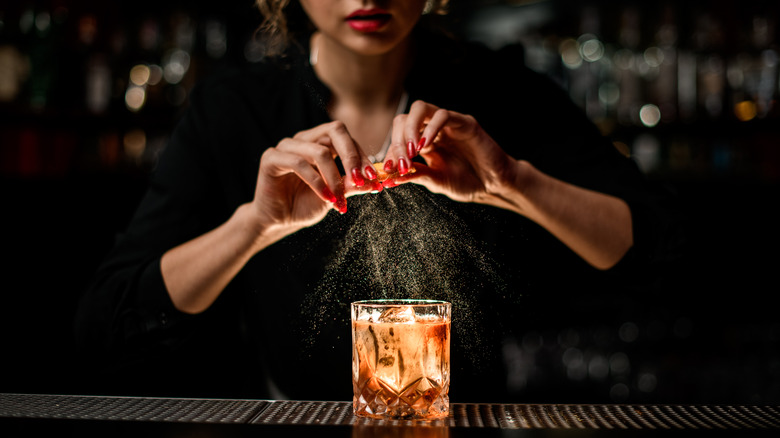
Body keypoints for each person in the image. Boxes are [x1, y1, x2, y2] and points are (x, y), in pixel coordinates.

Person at [75, 0, 683, 402]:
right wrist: (254, 225)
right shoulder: (232, 111)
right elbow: (111, 325)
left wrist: (513, 183)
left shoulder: (505, 92)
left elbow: (654, 248)